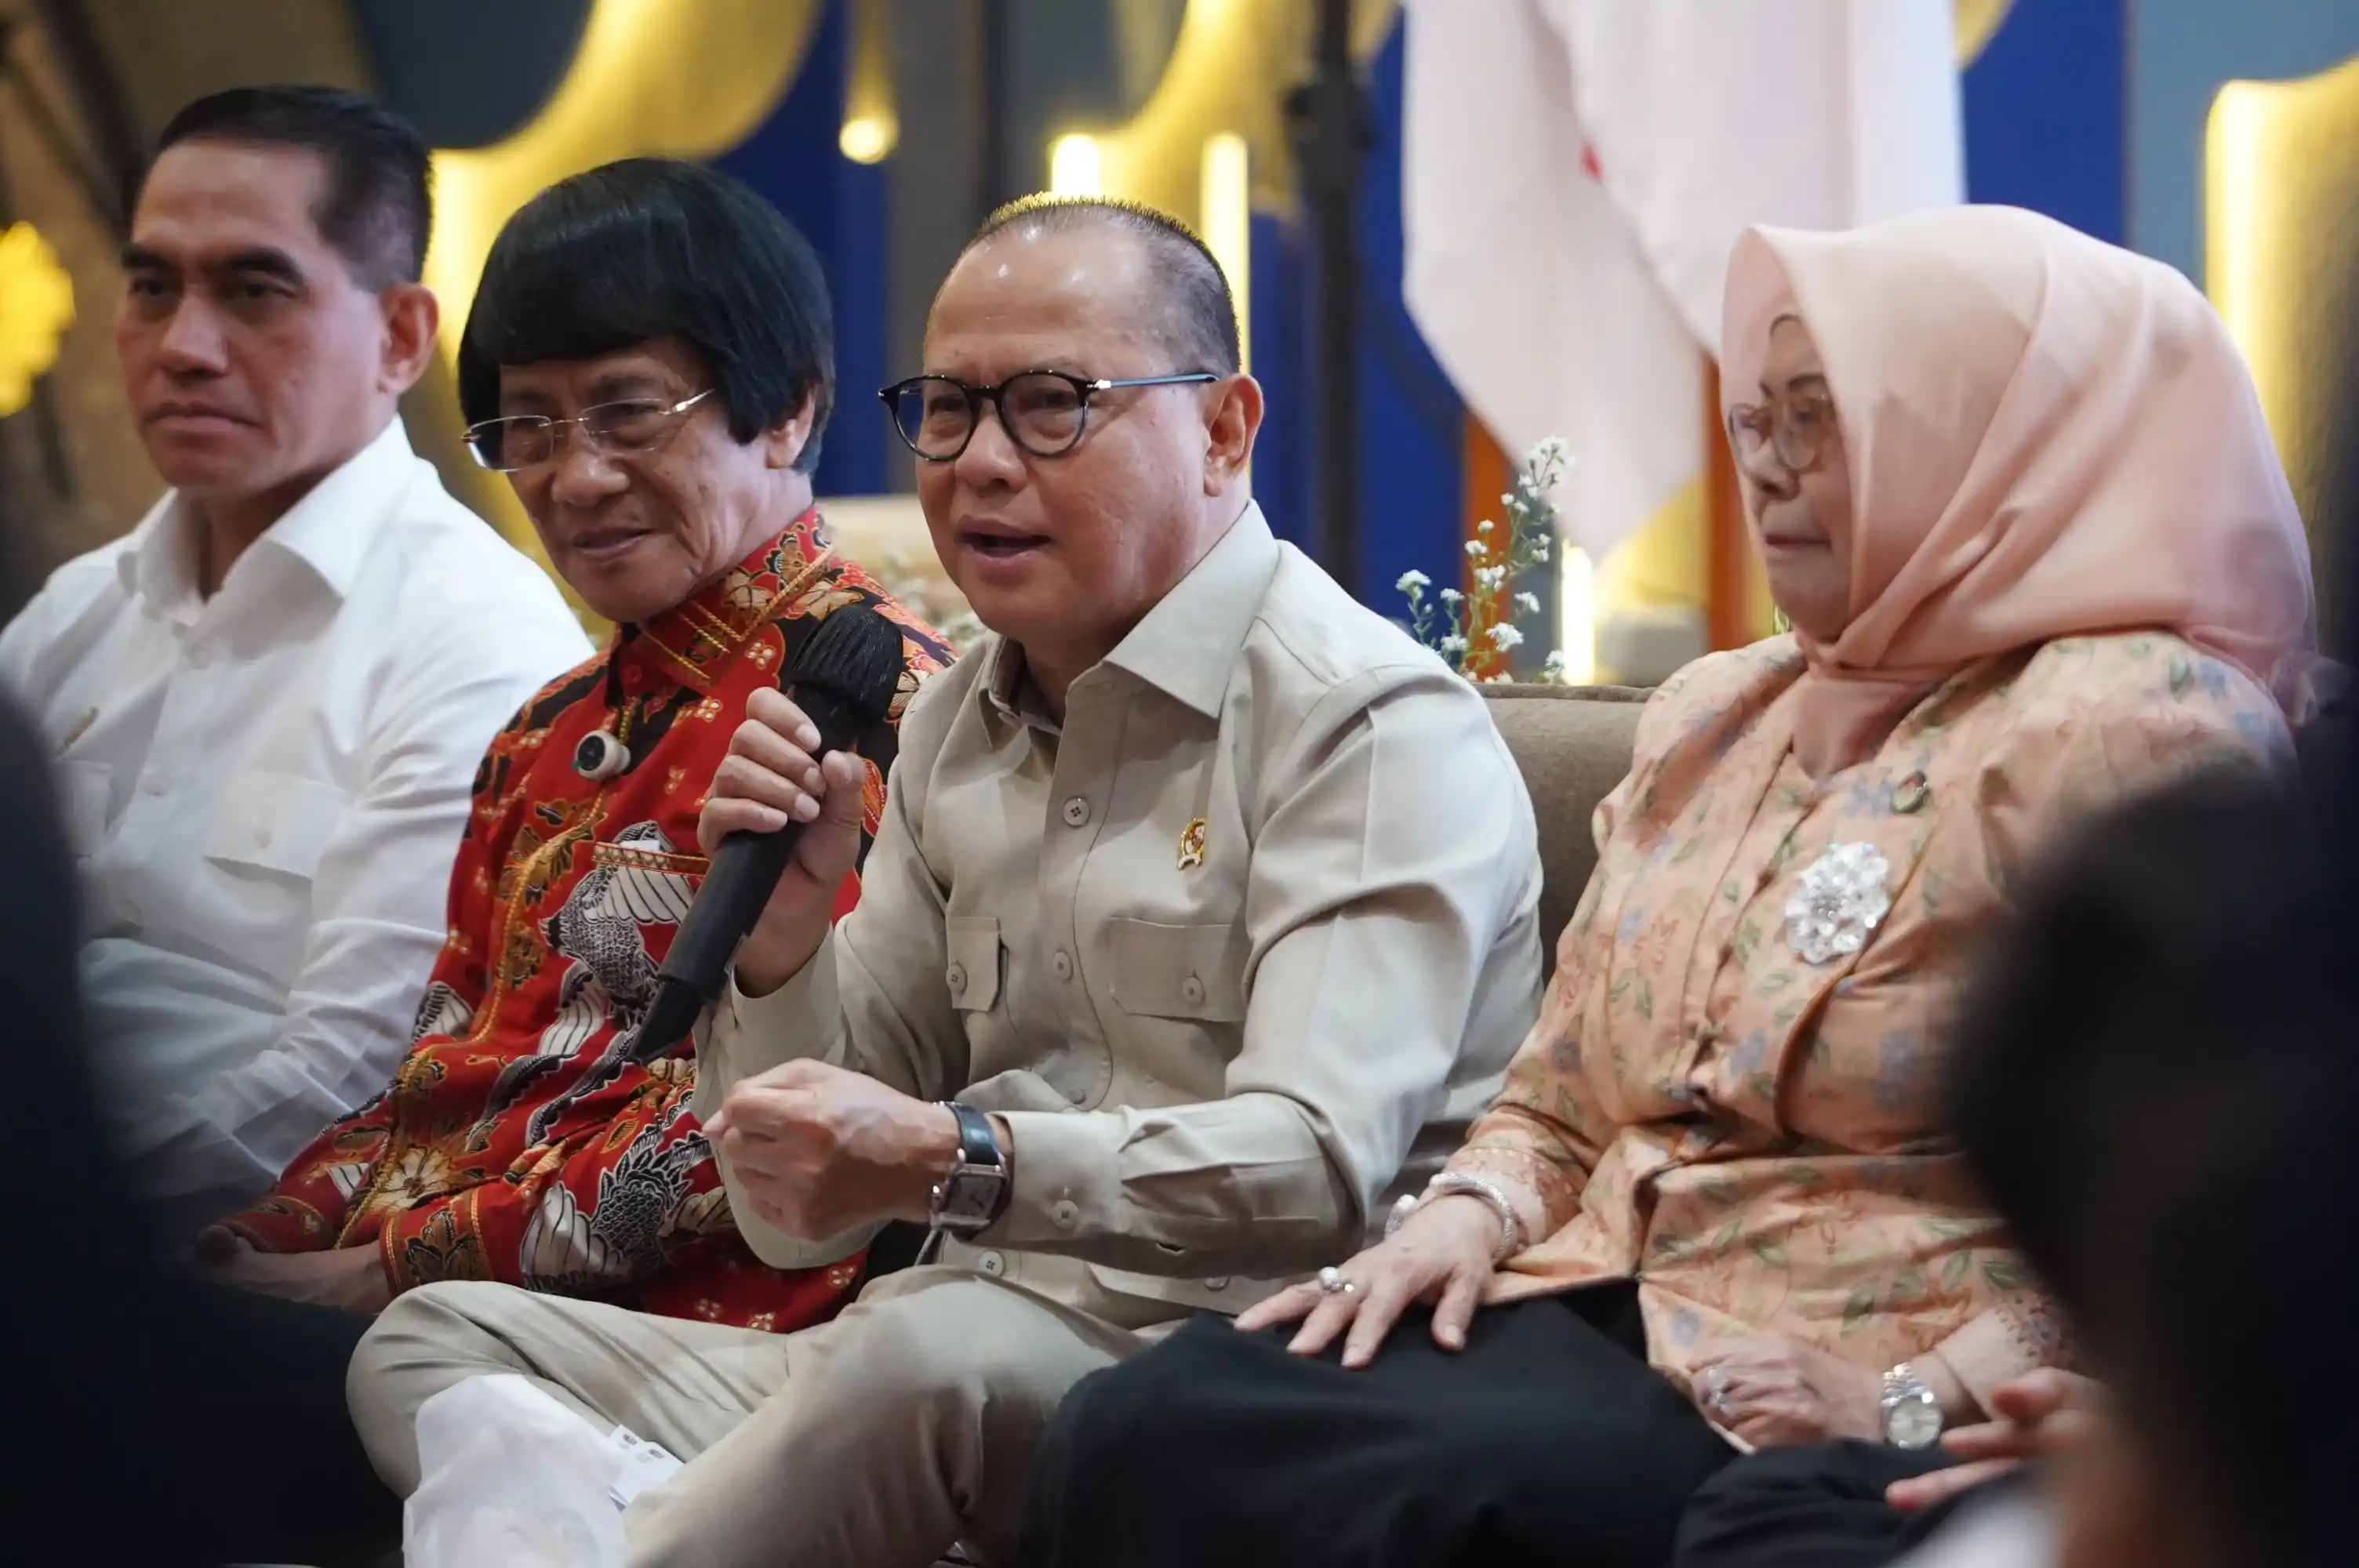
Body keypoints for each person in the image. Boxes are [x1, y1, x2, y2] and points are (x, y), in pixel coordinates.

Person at [1016, 205, 2320, 1567]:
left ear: (1984, 433)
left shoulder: (2135, 722)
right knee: (1142, 1425)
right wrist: (1455, 1224)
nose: (1766, 471)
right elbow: (1560, 1094)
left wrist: (1917, 1393)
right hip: (1603, 1295)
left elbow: (2174, 1193)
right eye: (1754, 423)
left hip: (1846, 1365)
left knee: (1409, 1495)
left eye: (1821, 420)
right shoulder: (1719, 713)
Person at [344, 193, 1543, 1568]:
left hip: (1223, 1369)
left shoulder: (1363, 723)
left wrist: (954, 1159)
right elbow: (794, 1225)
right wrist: (785, 954)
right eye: (948, 410)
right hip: (923, 1344)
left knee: (914, 1366)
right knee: (432, 1336)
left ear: (1223, 430)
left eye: (1049, 405)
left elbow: (1318, 1165)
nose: (979, 463)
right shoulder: (954, 719)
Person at [210, 156, 951, 1327]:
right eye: (529, 428)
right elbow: (436, 1089)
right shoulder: (538, 738)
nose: (574, 476)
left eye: (626, 412)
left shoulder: (895, 711)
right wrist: (262, 1240)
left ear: (793, 407)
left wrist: (380, 1276)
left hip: (691, 1336)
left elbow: (770, 1131)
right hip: (421, 1298)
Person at [0, 85, 589, 1238]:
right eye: (152, 286)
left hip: (225, 1263)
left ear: (402, 336)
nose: (183, 346)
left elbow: (361, 1076)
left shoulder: (474, 638)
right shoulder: (75, 613)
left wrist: (61, 1213)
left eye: (253, 291)